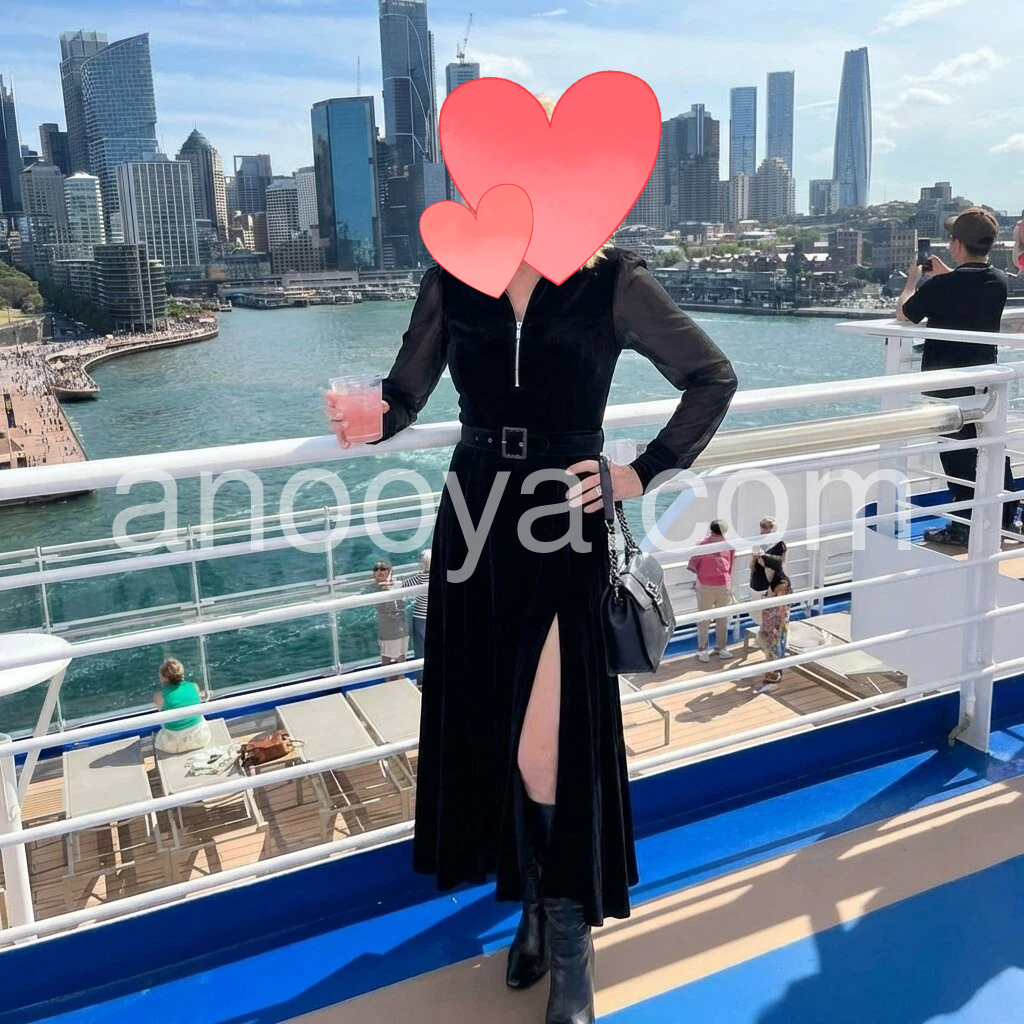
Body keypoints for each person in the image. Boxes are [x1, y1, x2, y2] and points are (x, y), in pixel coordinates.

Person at [325, 107, 737, 1024]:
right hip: (473, 514)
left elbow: (712, 378)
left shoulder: (612, 280)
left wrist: (638, 472)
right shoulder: (454, 275)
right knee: (489, 722)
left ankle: (569, 936)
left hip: (564, 517)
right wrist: (363, 415)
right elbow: (405, 395)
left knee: (545, 740)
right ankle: (531, 903)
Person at [897, 206, 1020, 546]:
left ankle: (964, 525)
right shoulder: (998, 281)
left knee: (956, 454)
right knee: (992, 447)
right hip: (985, 380)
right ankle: (1007, 517)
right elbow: (969, 287)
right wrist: (948, 274)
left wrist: (912, 280)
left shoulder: (942, 287)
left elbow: (906, 312)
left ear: (956, 244)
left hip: (947, 385)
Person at [687, 520, 735, 663]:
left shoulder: (703, 544)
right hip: (723, 584)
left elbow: (694, 563)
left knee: (704, 619)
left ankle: (702, 649)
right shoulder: (729, 544)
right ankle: (722, 648)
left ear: (711, 529)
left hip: (706, 585)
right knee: (722, 617)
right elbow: (731, 563)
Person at [152, 658, 211, 754]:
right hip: (200, 739)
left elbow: (161, 709)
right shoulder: (194, 686)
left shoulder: (159, 697)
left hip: (174, 745)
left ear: (164, 678)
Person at [753, 557, 791, 692]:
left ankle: (775, 675)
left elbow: (780, 605)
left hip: (776, 623)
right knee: (770, 650)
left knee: (775, 649)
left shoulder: (782, 583)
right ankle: (771, 674)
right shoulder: (771, 582)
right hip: (769, 622)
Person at [372, 559, 409, 676]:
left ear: (389, 572)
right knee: (385, 660)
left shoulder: (397, 585)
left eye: (383, 569)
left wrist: (388, 585)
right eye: (376, 569)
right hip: (386, 629)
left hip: (399, 628)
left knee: (400, 659)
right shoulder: (373, 588)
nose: (379, 571)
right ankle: (388, 682)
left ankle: (401, 680)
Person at [748, 516, 787, 625]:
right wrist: (754, 558)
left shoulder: (779, 545)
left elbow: (779, 565)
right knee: (758, 614)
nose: (763, 530)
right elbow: (751, 566)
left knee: (771, 616)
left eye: (766, 528)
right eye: (762, 527)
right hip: (757, 583)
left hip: (771, 586)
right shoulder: (758, 544)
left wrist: (764, 560)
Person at [400, 549, 431, 684]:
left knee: (421, 650)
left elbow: (402, 585)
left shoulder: (418, 578)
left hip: (420, 617)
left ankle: (422, 680)